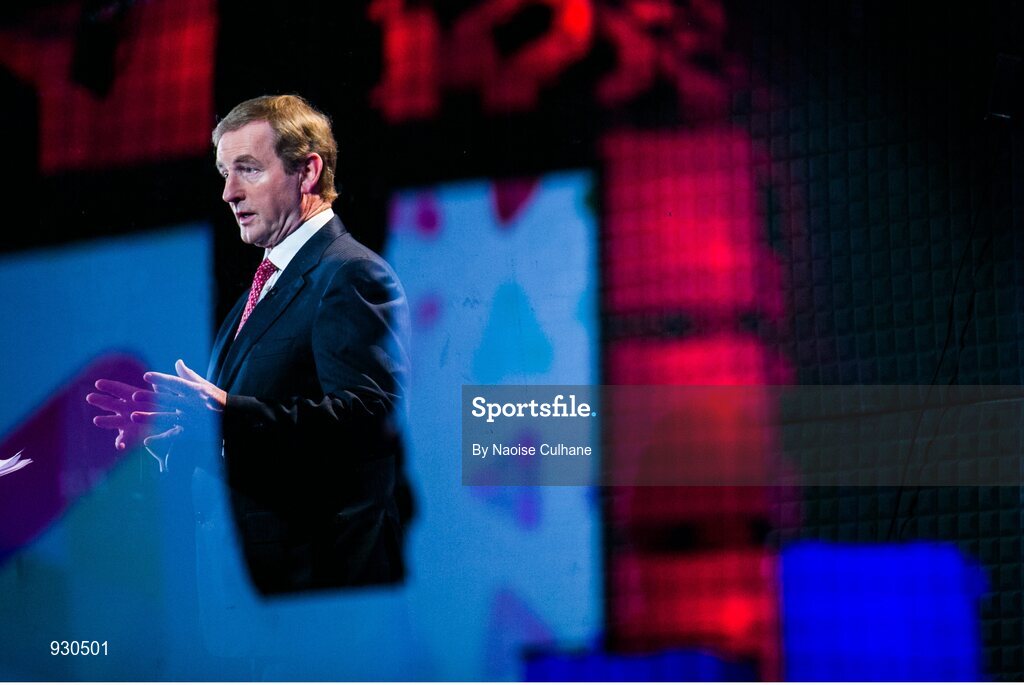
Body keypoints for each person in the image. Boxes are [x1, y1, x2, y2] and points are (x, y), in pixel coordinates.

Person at [87, 94, 411, 594]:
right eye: (223, 172)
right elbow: (254, 439)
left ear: (307, 173)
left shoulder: (350, 274)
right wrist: (191, 438)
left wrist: (227, 418)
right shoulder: (251, 300)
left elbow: (370, 418)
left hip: (320, 599)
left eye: (248, 170)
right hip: (251, 600)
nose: (228, 192)